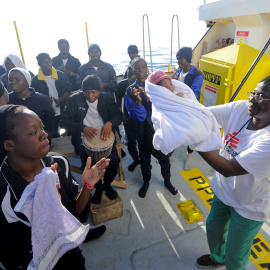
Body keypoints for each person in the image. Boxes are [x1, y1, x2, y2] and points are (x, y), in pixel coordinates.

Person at [0, 104, 109, 269]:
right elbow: (11, 256)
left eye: (42, 128)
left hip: (73, 258)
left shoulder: (59, 164)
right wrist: (50, 210)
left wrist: (87, 186)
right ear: (9, 145)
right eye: (33, 132)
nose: (44, 135)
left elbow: (75, 214)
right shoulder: (4, 195)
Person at [196, 77, 270, 270]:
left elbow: (229, 169)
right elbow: (202, 115)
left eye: (261, 97)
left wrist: (196, 142)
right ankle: (218, 258)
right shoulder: (240, 109)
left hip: (249, 205)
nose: (253, 99)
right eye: (253, 93)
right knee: (214, 228)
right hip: (223, 191)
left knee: (236, 256)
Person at [60, 74, 122, 204]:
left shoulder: (107, 97)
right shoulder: (74, 100)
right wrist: (82, 127)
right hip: (83, 138)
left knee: (114, 162)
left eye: (94, 92)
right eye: (86, 92)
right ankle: (98, 188)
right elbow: (63, 121)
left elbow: (118, 115)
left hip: (105, 136)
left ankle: (107, 185)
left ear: (99, 91)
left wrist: (109, 123)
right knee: (88, 166)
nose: (90, 95)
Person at [124, 57, 178, 198]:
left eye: (143, 66)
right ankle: (146, 181)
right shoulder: (130, 91)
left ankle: (167, 180)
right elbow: (137, 116)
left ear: (147, 68)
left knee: (164, 158)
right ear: (133, 70)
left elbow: (167, 102)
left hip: (160, 128)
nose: (141, 70)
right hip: (142, 130)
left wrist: (149, 95)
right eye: (137, 67)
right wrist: (139, 102)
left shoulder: (156, 84)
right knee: (144, 158)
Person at [7, 67, 55, 142]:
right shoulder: (7, 100)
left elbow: (51, 121)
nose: (13, 82)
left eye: (17, 79)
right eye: (11, 80)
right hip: (17, 144)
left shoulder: (42, 99)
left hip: (40, 141)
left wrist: (44, 136)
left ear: (27, 82)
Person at [31, 53, 71, 138]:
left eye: (49, 61)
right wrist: (45, 101)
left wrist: (60, 100)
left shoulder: (61, 75)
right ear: (39, 64)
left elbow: (68, 90)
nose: (48, 64)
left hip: (63, 108)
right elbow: (34, 97)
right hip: (47, 112)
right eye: (45, 62)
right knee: (53, 133)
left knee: (68, 131)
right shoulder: (35, 80)